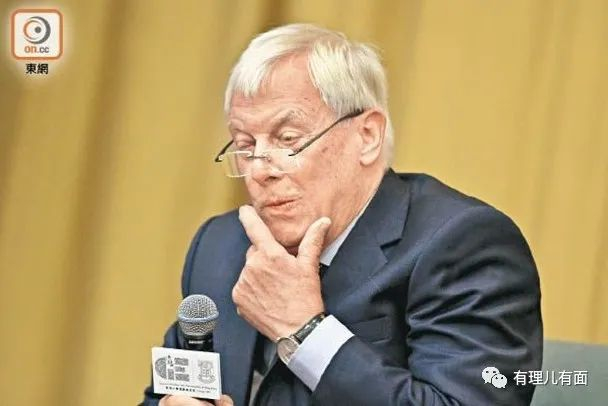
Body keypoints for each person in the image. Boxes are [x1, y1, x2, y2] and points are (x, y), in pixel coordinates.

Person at [142, 23, 542, 406]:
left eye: (287, 139)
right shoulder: (219, 246)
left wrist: (305, 333)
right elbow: (164, 395)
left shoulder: (462, 243)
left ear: (367, 136)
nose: (259, 170)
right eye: (245, 146)